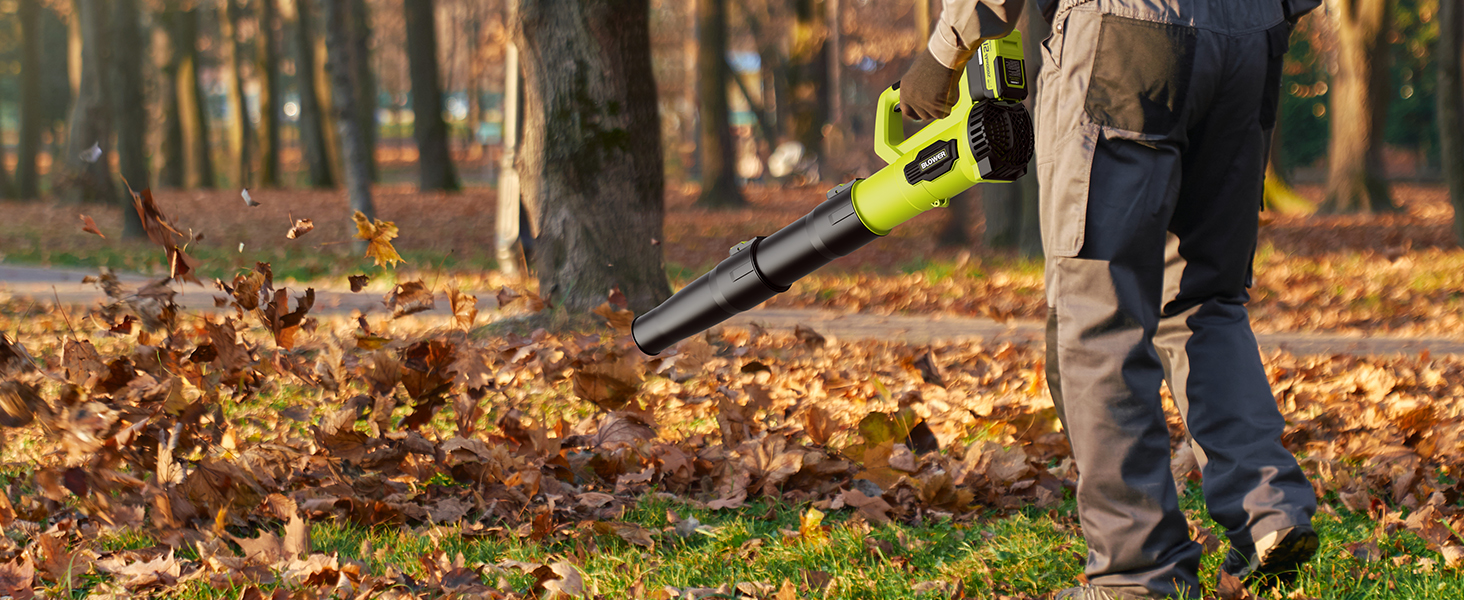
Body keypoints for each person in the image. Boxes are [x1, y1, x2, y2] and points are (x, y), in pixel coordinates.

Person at [900, 1, 1323, 598]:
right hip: (1250, 40)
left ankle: (1136, 573)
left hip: (1124, 39)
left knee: (1099, 314)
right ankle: (1268, 512)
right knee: (1206, 300)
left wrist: (945, 51)